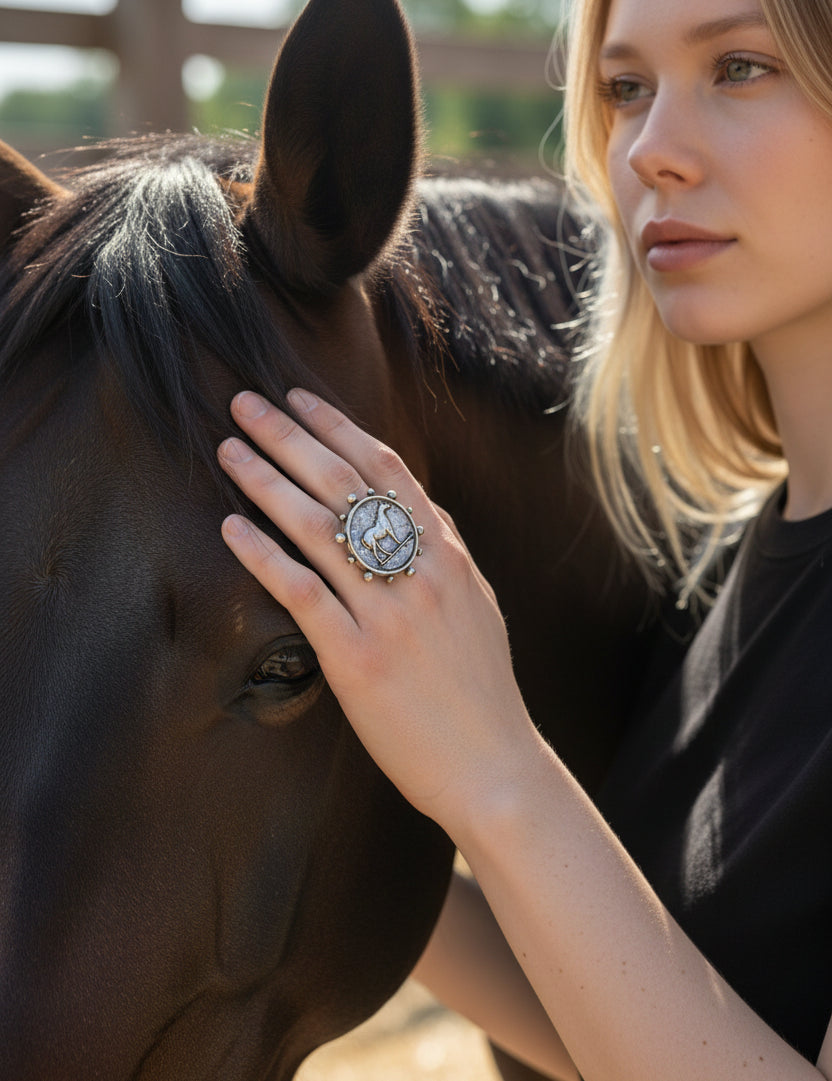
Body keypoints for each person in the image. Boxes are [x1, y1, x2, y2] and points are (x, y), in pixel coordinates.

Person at [215, 0, 832, 1077]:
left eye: (739, 66)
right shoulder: (729, 561)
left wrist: (498, 771)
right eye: (625, 89)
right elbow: (620, 1027)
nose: (649, 152)